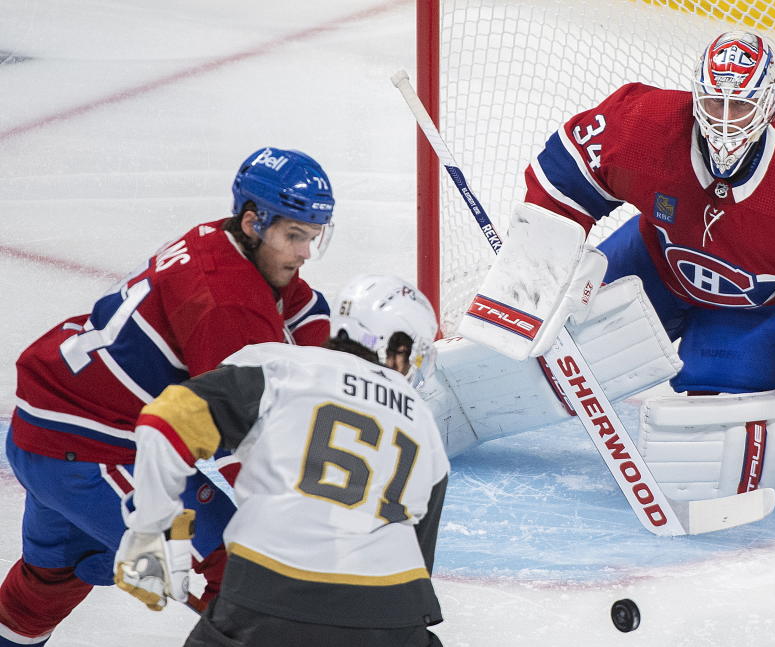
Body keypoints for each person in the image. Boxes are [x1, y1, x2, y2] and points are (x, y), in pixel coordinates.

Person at [429, 31, 775, 501]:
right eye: (714, 103)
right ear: (695, 95)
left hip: (755, 304)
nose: (726, 121)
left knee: (713, 427)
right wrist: (547, 253)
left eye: (742, 105)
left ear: (769, 104)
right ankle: (447, 403)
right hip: (653, 264)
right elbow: (566, 172)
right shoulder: (645, 126)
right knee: (559, 348)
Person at [0, 146, 336, 646]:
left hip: (49, 429)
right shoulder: (227, 307)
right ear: (253, 222)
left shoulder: (220, 239)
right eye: (294, 237)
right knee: (247, 564)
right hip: (91, 453)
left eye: (313, 238)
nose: (304, 253)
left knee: (48, 583)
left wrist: (329, 363)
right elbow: (243, 447)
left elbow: (303, 303)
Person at [115, 274, 448, 647]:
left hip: (272, 596)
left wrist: (152, 531)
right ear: (398, 348)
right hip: (392, 612)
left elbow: (165, 422)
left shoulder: (281, 368)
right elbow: (418, 558)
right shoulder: (424, 424)